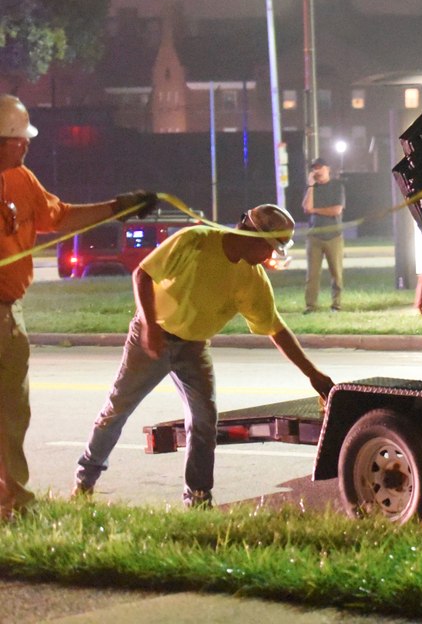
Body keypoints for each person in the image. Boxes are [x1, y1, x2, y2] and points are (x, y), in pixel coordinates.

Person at [73, 204, 335, 507]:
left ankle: (198, 497)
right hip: (151, 335)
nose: (268, 257)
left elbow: (276, 329)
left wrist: (313, 374)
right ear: (251, 235)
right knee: (117, 410)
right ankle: (85, 480)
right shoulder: (195, 240)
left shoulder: (253, 279)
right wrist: (149, 327)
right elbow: (142, 275)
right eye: (269, 247)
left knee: (204, 420)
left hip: (193, 347)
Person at [0, 94, 157, 520]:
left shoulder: (21, 180)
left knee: (11, 414)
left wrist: (117, 208)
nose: (27, 145)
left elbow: (61, 217)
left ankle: (12, 503)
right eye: (18, 139)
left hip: (8, 315)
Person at [302, 157, 345, 313]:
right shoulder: (311, 188)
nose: (316, 171)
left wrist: (315, 210)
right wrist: (311, 186)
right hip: (314, 237)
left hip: (334, 236)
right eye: (314, 168)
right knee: (312, 275)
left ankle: (336, 305)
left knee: (336, 273)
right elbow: (307, 208)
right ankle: (311, 306)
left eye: (319, 167)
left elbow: (336, 210)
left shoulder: (336, 186)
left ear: (327, 169)